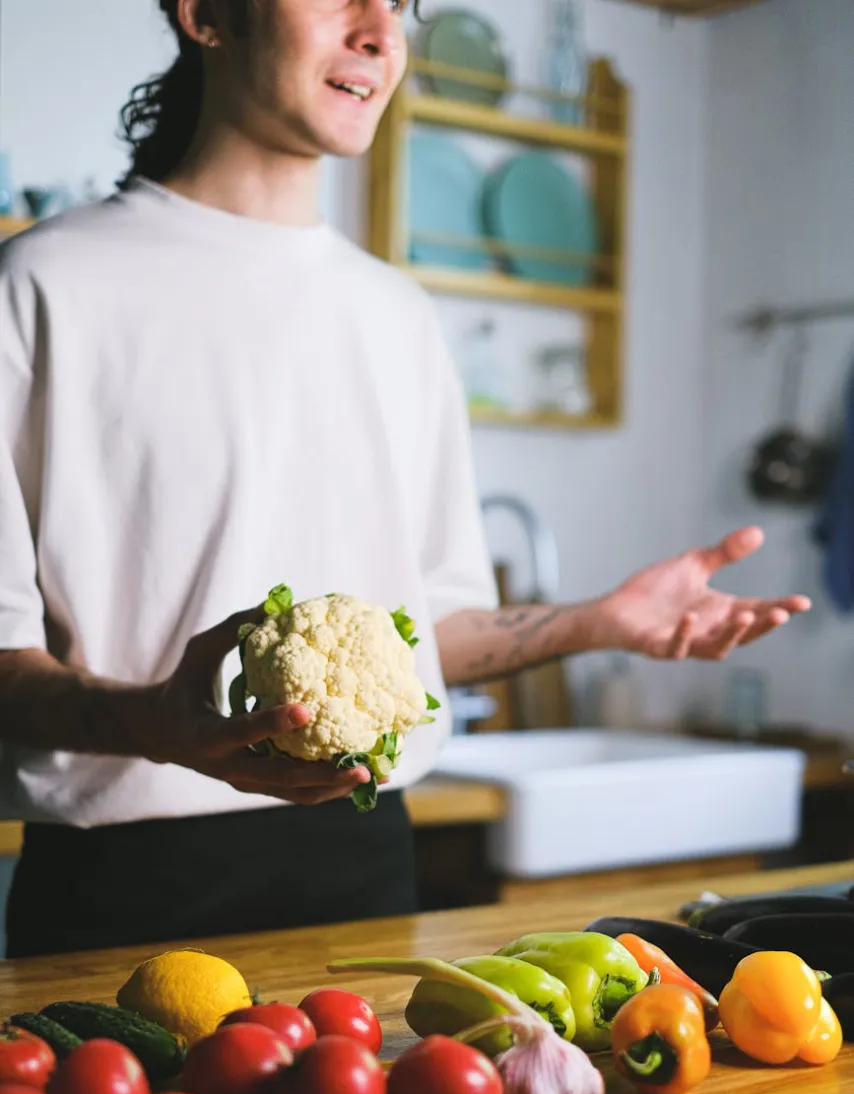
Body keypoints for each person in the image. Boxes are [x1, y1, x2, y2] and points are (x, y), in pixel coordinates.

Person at [0, 0, 811, 959]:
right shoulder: (43, 285)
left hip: (368, 862)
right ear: (209, 13)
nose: (382, 31)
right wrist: (158, 724)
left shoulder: (397, 315)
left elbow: (429, 632)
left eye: (399, 2)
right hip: (121, 883)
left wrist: (600, 622)